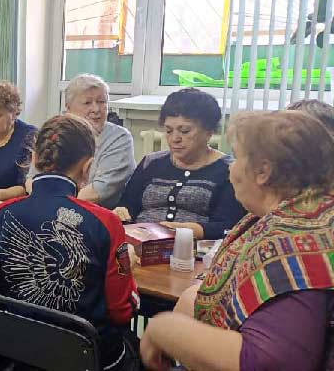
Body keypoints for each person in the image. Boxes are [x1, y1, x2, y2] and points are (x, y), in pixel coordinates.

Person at [140, 111, 334, 371]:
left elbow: (268, 362)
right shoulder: (294, 219)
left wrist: (164, 328)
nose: (231, 167)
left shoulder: (293, 242)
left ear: (263, 171)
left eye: (238, 157)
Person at [0, 114, 139, 370]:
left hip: (21, 352)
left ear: (34, 160)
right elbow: (121, 311)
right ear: (87, 168)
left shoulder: (0, 214)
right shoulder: (105, 222)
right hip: (89, 358)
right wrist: (127, 269)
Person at [115, 88, 246, 240]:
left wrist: (190, 230)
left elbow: (228, 226)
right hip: (138, 244)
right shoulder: (151, 163)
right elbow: (127, 205)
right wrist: (120, 212)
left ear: (209, 132)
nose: (174, 139)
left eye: (184, 131)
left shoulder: (229, 170)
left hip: (193, 251)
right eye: (169, 131)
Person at [63, 74, 135, 208]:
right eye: (87, 103)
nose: (96, 109)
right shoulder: (55, 133)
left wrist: (55, 203)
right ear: (68, 107)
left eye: (101, 102)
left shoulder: (119, 138)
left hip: (97, 215)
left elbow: (98, 191)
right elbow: (32, 180)